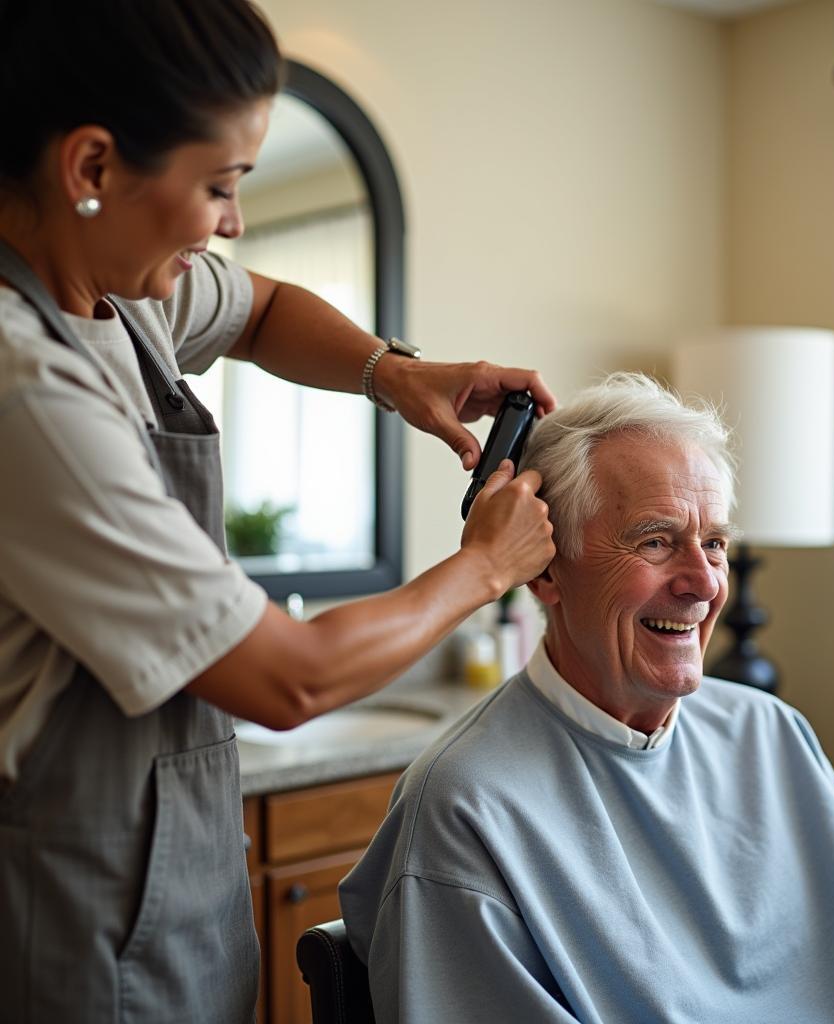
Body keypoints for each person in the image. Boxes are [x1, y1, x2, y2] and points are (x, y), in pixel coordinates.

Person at [0, 2, 555, 1021]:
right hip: (73, 918)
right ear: (90, 169)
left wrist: (402, 373)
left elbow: (261, 309)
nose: (232, 222)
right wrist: (484, 567)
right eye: (218, 186)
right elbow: (287, 679)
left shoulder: (123, 296)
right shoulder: (23, 386)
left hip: (177, 883)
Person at [339, 373, 834, 1024]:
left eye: (713, 543)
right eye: (655, 541)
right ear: (544, 570)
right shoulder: (466, 803)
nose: (705, 584)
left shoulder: (771, 732)